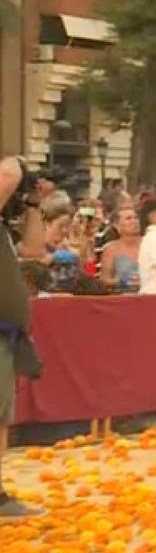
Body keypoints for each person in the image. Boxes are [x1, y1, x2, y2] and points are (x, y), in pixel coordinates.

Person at [0, 156, 44, 519]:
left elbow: (34, 249)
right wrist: (16, 164)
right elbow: (9, 172)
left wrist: (32, 205)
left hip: (6, 335)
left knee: (1, 417)